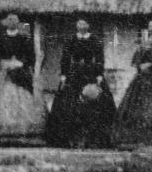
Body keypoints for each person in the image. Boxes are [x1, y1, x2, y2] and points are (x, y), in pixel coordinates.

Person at [46, 19, 115, 148]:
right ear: (76, 26)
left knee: (97, 102)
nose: (81, 26)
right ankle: (69, 138)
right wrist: (64, 75)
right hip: (75, 74)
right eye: (79, 24)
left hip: (91, 73)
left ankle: (95, 139)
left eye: (84, 24)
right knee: (68, 103)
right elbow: (65, 58)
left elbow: (100, 58)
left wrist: (99, 75)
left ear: (88, 26)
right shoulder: (71, 40)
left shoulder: (95, 40)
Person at [114, 19, 152, 147]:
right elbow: (136, 60)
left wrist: (151, 64)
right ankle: (134, 140)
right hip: (142, 80)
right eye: (150, 26)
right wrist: (140, 66)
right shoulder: (144, 44)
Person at [0, 13, 46, 140]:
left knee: (22, 98)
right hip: (5, 73)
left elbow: (31, 57)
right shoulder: (1, 39)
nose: (12, 22)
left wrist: (21, 63)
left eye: (15, 20)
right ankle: (5, 129)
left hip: (20, 73)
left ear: (18, 23)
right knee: (5, 98)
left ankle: (21, 129)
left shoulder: (24, 38)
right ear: (7, 23)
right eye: (10, 20)